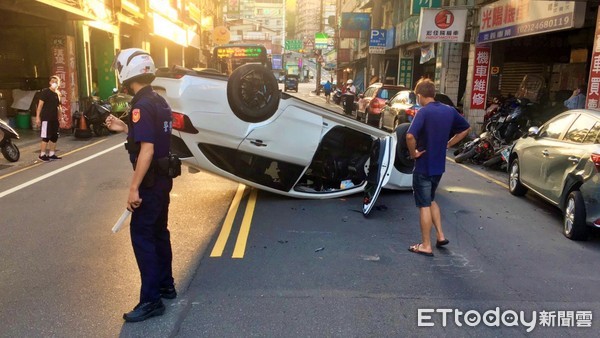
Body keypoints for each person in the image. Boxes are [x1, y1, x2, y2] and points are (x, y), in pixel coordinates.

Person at [105, 48, 177, 322]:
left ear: (128, 71)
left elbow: (146, 150)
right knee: (159, 232)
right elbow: (153, 137)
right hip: (163, 179)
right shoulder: (159, 100)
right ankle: (165, 285)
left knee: (142, 236)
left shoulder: (140, 105)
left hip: (150, 181)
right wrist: (124, 129)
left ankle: (150, 300)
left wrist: (133, 188)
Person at [406, 78, 471, 256]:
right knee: (431, 199)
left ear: (420, 95)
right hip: (438, 167)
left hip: (423, 166)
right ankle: (440, 235)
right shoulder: (449, 110)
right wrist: (449, 143)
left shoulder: (423, 112)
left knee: (424, 204)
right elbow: (465, 128)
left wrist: (413, 154)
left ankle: (426, 245)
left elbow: (410, 136)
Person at [35, 75, 63, 162]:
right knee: (46, 137)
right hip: (46, 118)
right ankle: (42, 154)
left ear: (58, 84)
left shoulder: (58, 94)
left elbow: (59, 107)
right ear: (50, 83)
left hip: (54, 118)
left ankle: (52, 154)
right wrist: (37, 118)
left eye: (56, 81)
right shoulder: (45, 92)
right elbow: (40, 106)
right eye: (53, 81)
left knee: (54, 136)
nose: (54, 83)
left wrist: (61, 118)